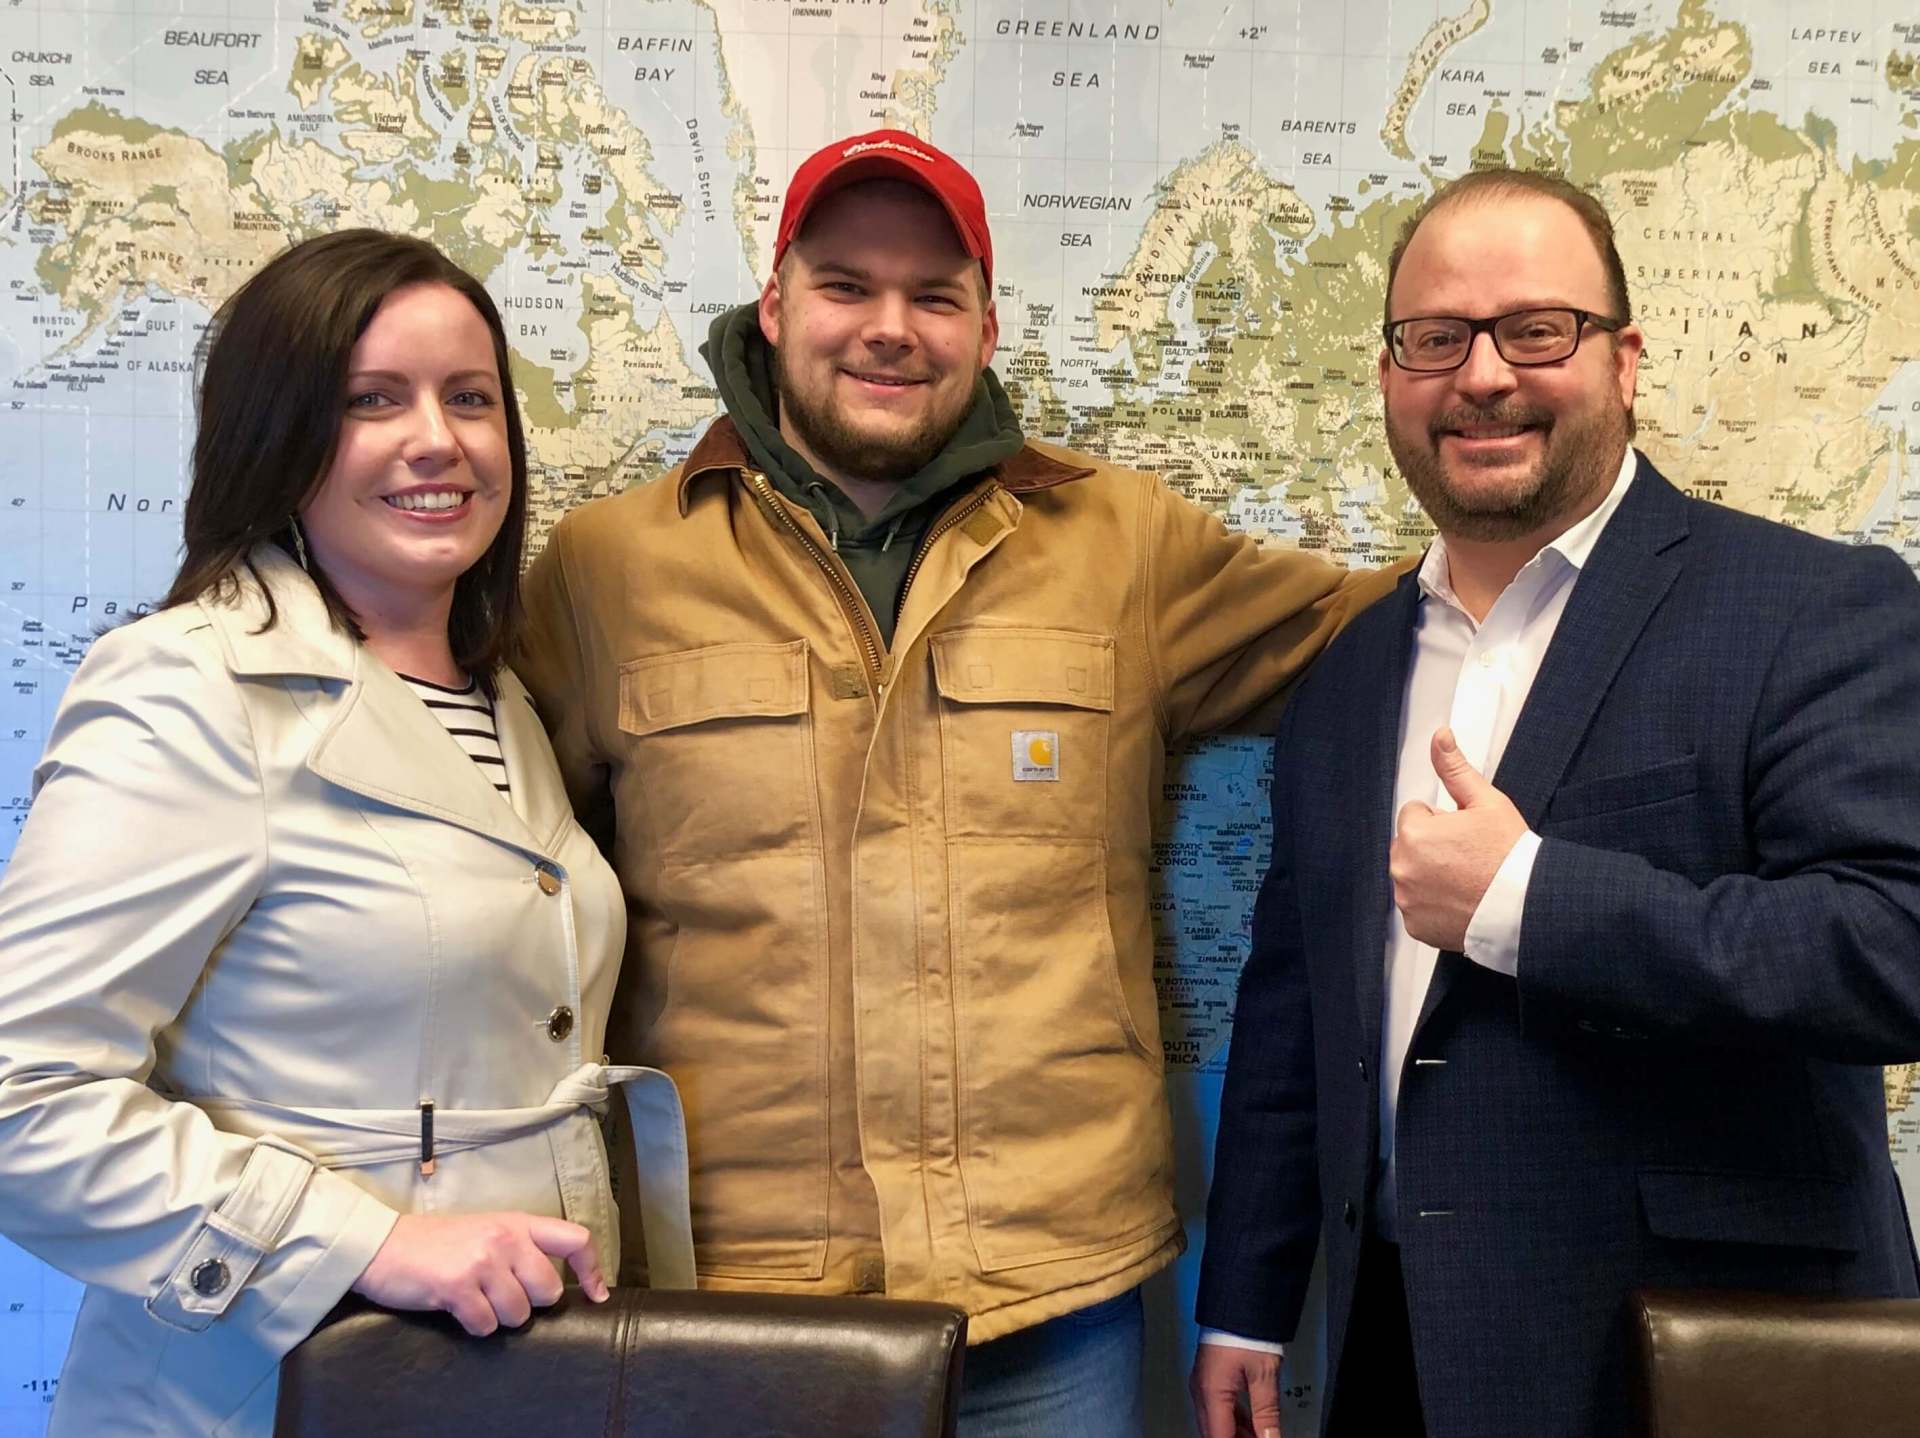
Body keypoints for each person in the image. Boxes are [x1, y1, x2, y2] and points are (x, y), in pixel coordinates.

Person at [514, 129, 1401, 1435]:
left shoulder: (1123, 542)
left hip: (1049, 1293)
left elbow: (1390, 629)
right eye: (846, 287)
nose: (890, 328)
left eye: (935, 295)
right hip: (729, 1295)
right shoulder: (607, 570)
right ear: (774, 306)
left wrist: (1609, 581)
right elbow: (477, 836)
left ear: (986, 328)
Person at [1191, 168, 1920, 1438]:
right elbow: (1295, 1004)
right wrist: (1246, 1301)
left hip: (1700, 1359)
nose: (1482, 376)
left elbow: (1892, 948)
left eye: (1537, 330)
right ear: (1388, 376)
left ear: (1625, 359)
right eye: (1437, 338)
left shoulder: (1813, 610)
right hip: (1402, 1352)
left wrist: (1528, 899)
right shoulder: (1350, 671)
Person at [0, 230, 691, 1438]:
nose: (439, 439)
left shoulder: (501, 697)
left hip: (509, 1386)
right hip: (262, 1396)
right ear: (280, 436)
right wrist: (368, 1243)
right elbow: (22, 1099)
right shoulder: (191, 689)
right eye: (373, 400)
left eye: (470, 398)